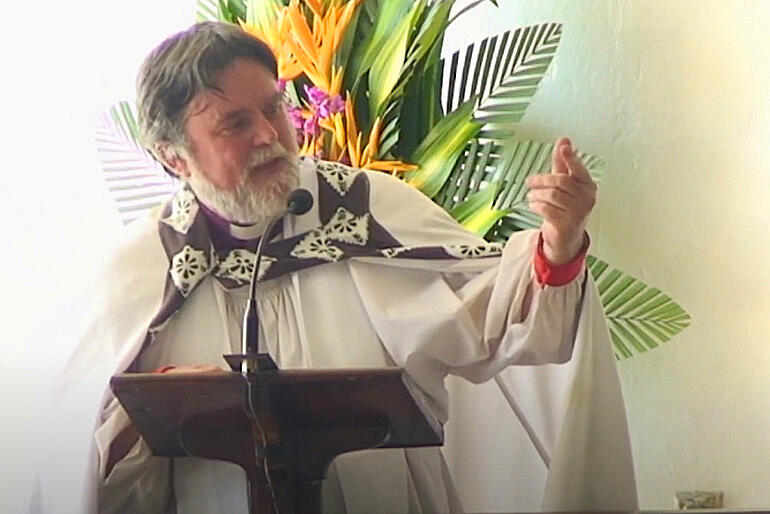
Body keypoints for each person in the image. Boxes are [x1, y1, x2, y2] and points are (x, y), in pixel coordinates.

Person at [39, 21, 637, 514]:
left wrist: (558, 243)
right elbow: (80, 459)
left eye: (274, 109)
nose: (271, 136)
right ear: (173, 156)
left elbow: (490, 317)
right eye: (235, 125)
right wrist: (152, 407)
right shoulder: (145, 268)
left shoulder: (366, 209)